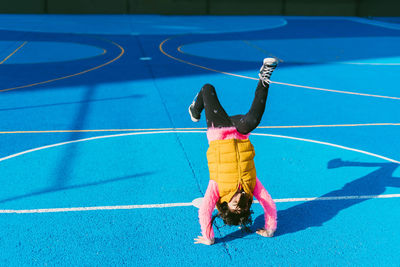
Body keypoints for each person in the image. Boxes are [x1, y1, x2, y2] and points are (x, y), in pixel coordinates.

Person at [189, 58, 279, 245]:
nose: (240, 203)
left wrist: (209, 238)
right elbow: (268, 203)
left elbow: (205, 211)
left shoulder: (217, 189)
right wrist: (270, 228)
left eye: (234, 207)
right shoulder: (251, 187)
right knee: (253, 120)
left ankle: (195, 109)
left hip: (220, 132)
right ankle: (265, 76)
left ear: (225, 205)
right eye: (243, 207)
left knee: (207, 88)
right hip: (239, 131)